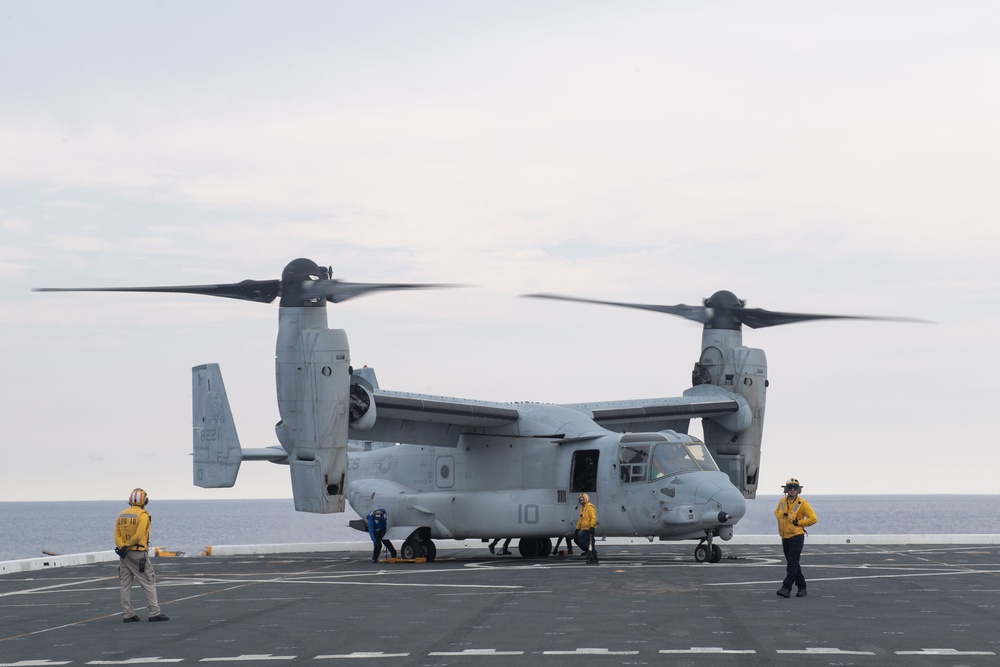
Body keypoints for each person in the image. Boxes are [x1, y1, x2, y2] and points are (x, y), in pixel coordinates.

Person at [114, 488, 168, 622]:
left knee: (125, 584)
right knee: (148, 581)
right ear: (144, 501)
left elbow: (116, 535)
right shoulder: (143, 515)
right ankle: (154, 612)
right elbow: (138, 535)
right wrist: (128, 546)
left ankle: (127, 614)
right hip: (138, 554)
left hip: (124, 555)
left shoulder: (122, 515)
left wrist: (122, 547)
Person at [774, 477, 818, 598]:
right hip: (785, 537)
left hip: (796, 537)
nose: (792, 490)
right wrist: (781, 516)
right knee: (793, 563)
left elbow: (813, 519)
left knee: (792, 563)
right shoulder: (782, 502)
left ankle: (786, 588)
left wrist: (799, 523)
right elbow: (776, 512)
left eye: (795, 488)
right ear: (786, 489)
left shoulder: (803, 504)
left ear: (799, 490)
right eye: (790, 488)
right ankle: (802, 587)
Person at [575, 493, 599, 564]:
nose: (581, 501)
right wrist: (577, 529)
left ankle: (591, 553)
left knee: (581, 540)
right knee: (591, 544)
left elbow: (593, 517)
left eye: (582, 500)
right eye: (580, 500)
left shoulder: (590, 507)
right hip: (585, 528)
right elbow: (581, 519)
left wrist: (592, 526)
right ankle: (593, 558)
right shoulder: (582, 508)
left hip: (589, 528)